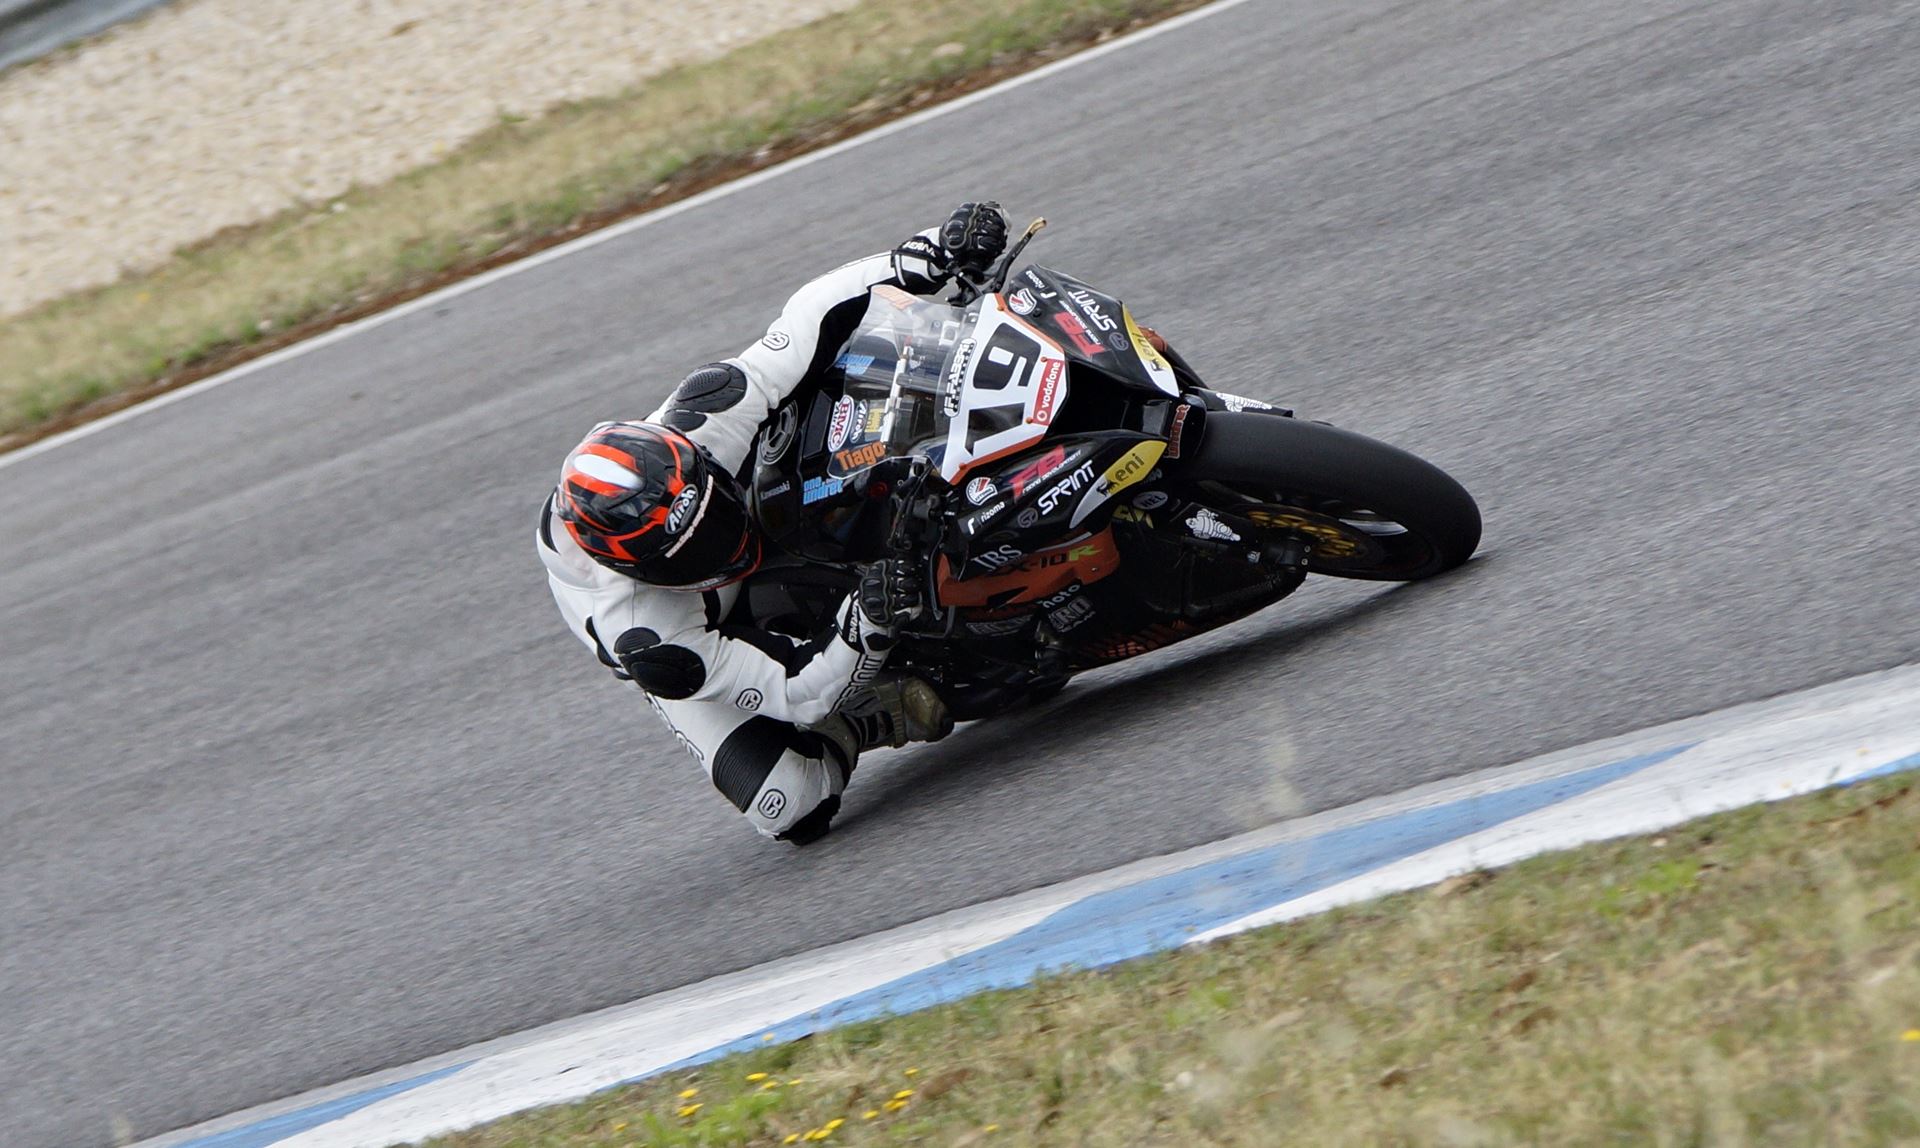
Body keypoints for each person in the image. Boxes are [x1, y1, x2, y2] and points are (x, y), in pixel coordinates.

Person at [536, 203, 1010, 846]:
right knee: (789, 805)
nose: (721, 541)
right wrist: (867, 619)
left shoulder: (695, 425)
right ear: (641, 570)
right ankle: (871, 719)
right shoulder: (653, 637)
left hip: (734, 494)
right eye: (691, 549)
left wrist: (925, 253)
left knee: (814, 387)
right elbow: (797, 693)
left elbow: (804, 322)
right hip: (711, 630)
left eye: (711, 514)